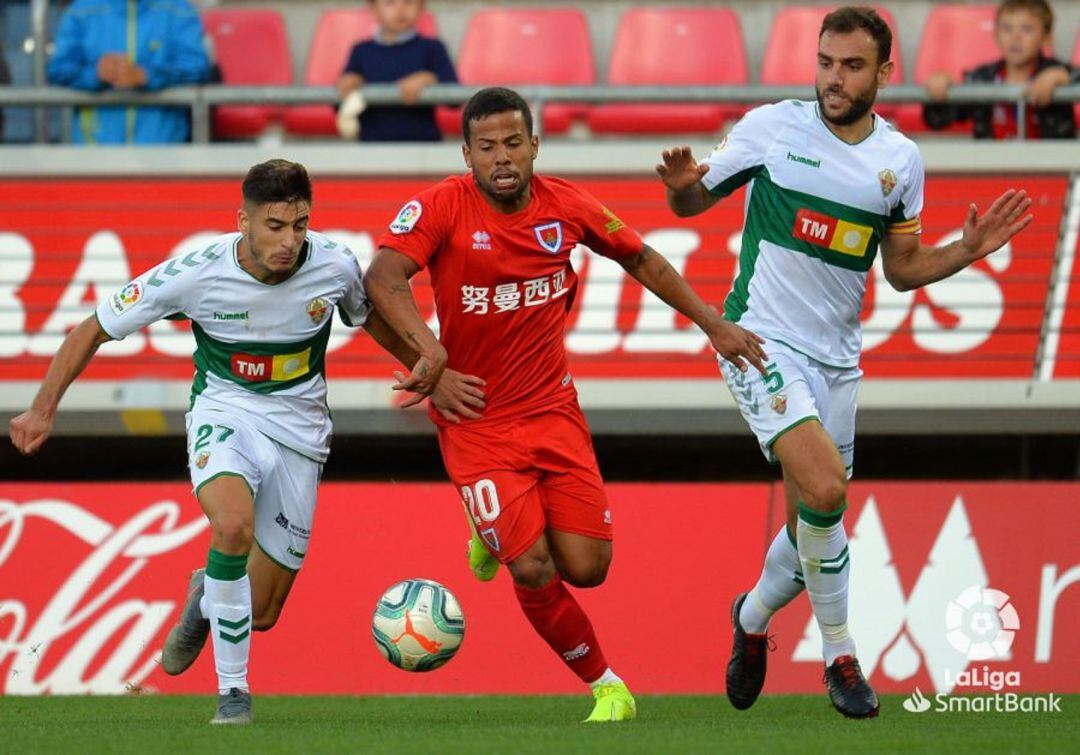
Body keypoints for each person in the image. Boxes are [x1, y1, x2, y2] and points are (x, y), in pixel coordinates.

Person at [657, 7, 1032, 719]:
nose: (834, 77)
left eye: (851, 66)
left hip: (837, 361)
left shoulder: (900, 163)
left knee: (814, 520)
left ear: (884, 73)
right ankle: (841, 654)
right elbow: (693, 201)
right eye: (826, 62)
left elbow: (902, 267)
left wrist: (966, 251)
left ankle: (751, 618)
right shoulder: (773, 127)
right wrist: (679, 184)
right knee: (826, 488)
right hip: (758, 340)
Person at [8, 159, 481, 724]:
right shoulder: (195, 273)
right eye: (274, 226)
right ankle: (234, 694)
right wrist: (43, 408)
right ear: (244, 220)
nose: (288, 240)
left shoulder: (333, 264)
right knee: (231, 527)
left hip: (300, 431)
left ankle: (206, 592)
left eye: (299, 224)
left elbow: (369, 318)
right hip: (225, 412)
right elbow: (94, 327)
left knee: (261, 610)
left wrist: (430, 371)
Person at [363, 86, 767, 722]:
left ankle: (488, 526)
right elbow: (381, 279)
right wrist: (431, 364)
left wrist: (712, 323)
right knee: (530, 566)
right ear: (467, 153)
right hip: (476, 420)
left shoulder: (566, 205)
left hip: (553, 410)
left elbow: (642, 258)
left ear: (534, 146)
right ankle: (606, 684)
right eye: (487, 147)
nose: (502, 158)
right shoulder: (442, 205)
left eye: (514, 144)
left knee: (589, 568)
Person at [46, 0, 210, 144]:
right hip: (94, 152)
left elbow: (198, 68)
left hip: (162, 152)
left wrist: (146, 76)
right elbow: (58, 70)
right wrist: (96, 74)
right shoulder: (81, 10)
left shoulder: (179, 10)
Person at [923, 0, 1076, 139]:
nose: (1015, 37)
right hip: (992, 165)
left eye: (1027, 29)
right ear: (996, 35)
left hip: (1051, 166)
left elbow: (1076, 77)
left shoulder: (1056, 71)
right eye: (1007, 29)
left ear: (1046, 37)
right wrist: (941, 88)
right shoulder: (981, 78)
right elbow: (936, 120)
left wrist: (1061, 77)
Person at [335, 0, 456, 142]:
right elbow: (338, 103)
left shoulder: (433, 48)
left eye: (409, 2)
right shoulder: (361, 51)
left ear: (422, 7)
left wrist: (429, 79)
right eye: (390, 3)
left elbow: (454, 99)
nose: (400, 10)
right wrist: (347, 83)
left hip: (422, 144)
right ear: (373, 9)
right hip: (371, 144)